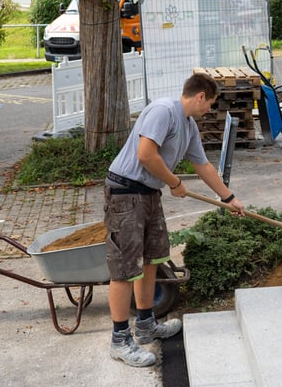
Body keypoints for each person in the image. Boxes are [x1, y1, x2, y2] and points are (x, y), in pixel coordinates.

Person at [104, 72, 245, 367]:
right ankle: (119, 339)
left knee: (152, 260)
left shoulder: (189, 126)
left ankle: (145, 325)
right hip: (125, 192)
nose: (209, 110)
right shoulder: (163, 111)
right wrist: (174, 181)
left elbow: (203, 165)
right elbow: (145, 154)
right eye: (210, 104)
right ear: (200, 96)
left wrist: (228, 198)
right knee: (125, 269)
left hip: (148, 194)